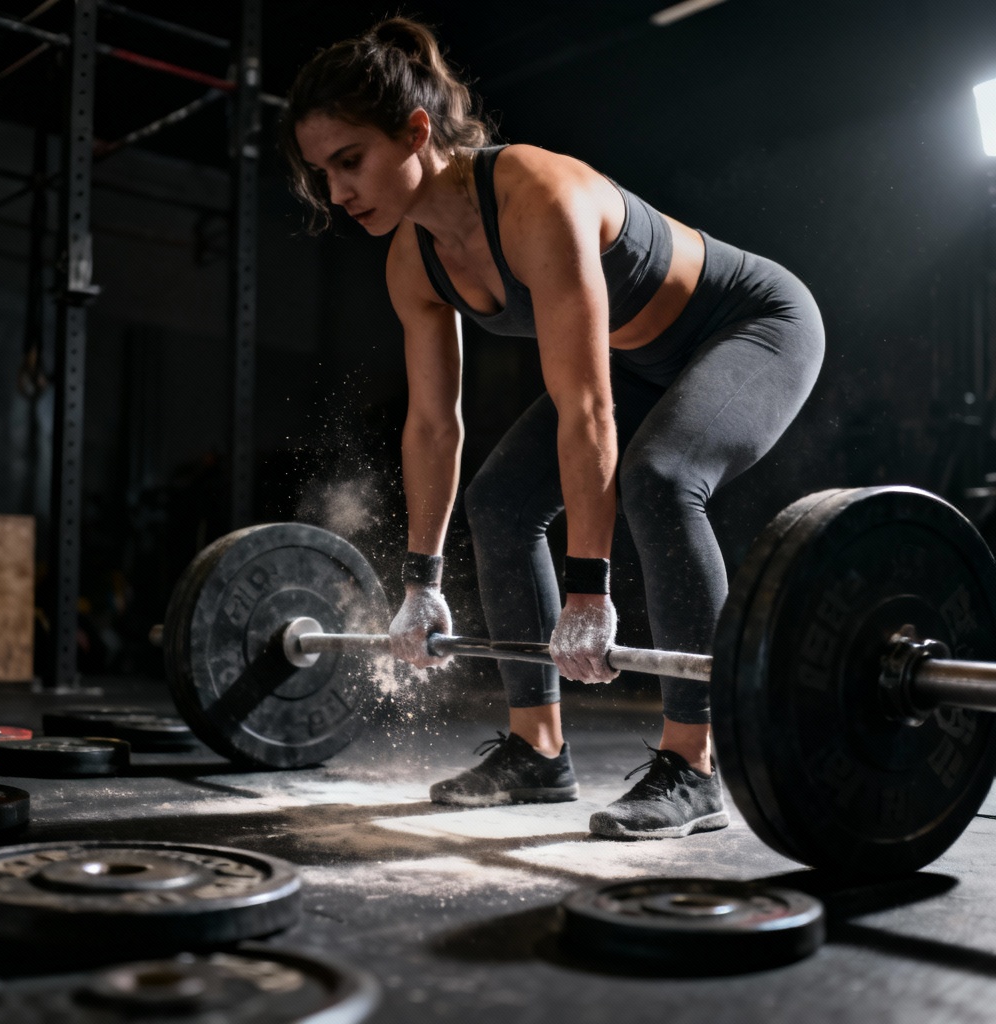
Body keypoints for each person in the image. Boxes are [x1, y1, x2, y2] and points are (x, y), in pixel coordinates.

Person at [281, 17, 825, 839]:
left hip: (751, 327)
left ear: (417, 132)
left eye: (349, 161)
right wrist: (421, 583)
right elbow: (432, 426)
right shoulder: (411, 262)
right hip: (638, 362)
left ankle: (697, 762)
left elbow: (587, 408)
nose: (336, 191)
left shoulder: (535, 196)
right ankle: (537, 750)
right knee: (500, 500)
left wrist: (588, 591)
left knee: (661, 478)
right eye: (322, 173)